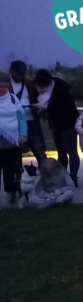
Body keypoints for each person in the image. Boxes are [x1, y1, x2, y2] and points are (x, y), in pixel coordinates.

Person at [33, 69, 79, 186]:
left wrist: (46, 108)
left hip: (68, 124)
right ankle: (61, 176)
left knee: (72, 152)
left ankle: (73, 177)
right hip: (55, 125)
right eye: (37, 88)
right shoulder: (44, 91)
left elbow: (66, 110)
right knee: (61, 153)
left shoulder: (61, 90)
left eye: (42, 88)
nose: (39, 91)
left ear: (48, 85)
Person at [9, 61, 45, 163]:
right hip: (13, 123)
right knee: (15, 152)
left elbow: (37, 99)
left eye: (22, 73)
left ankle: (46, 174)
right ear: (11, 71)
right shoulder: (5, 84)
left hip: (31, 120)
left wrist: (37, 108)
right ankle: (17, 176)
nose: (20, 76)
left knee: (39, 150)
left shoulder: (30, 83)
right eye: (18, 73)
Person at [0, 71, 27, 207]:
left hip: (12, 140)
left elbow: (21, 118)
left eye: (5, 86)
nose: (2, 89)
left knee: (10, 169)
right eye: (0, 86)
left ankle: (10, 193)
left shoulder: (13, 99)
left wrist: (23, 134)